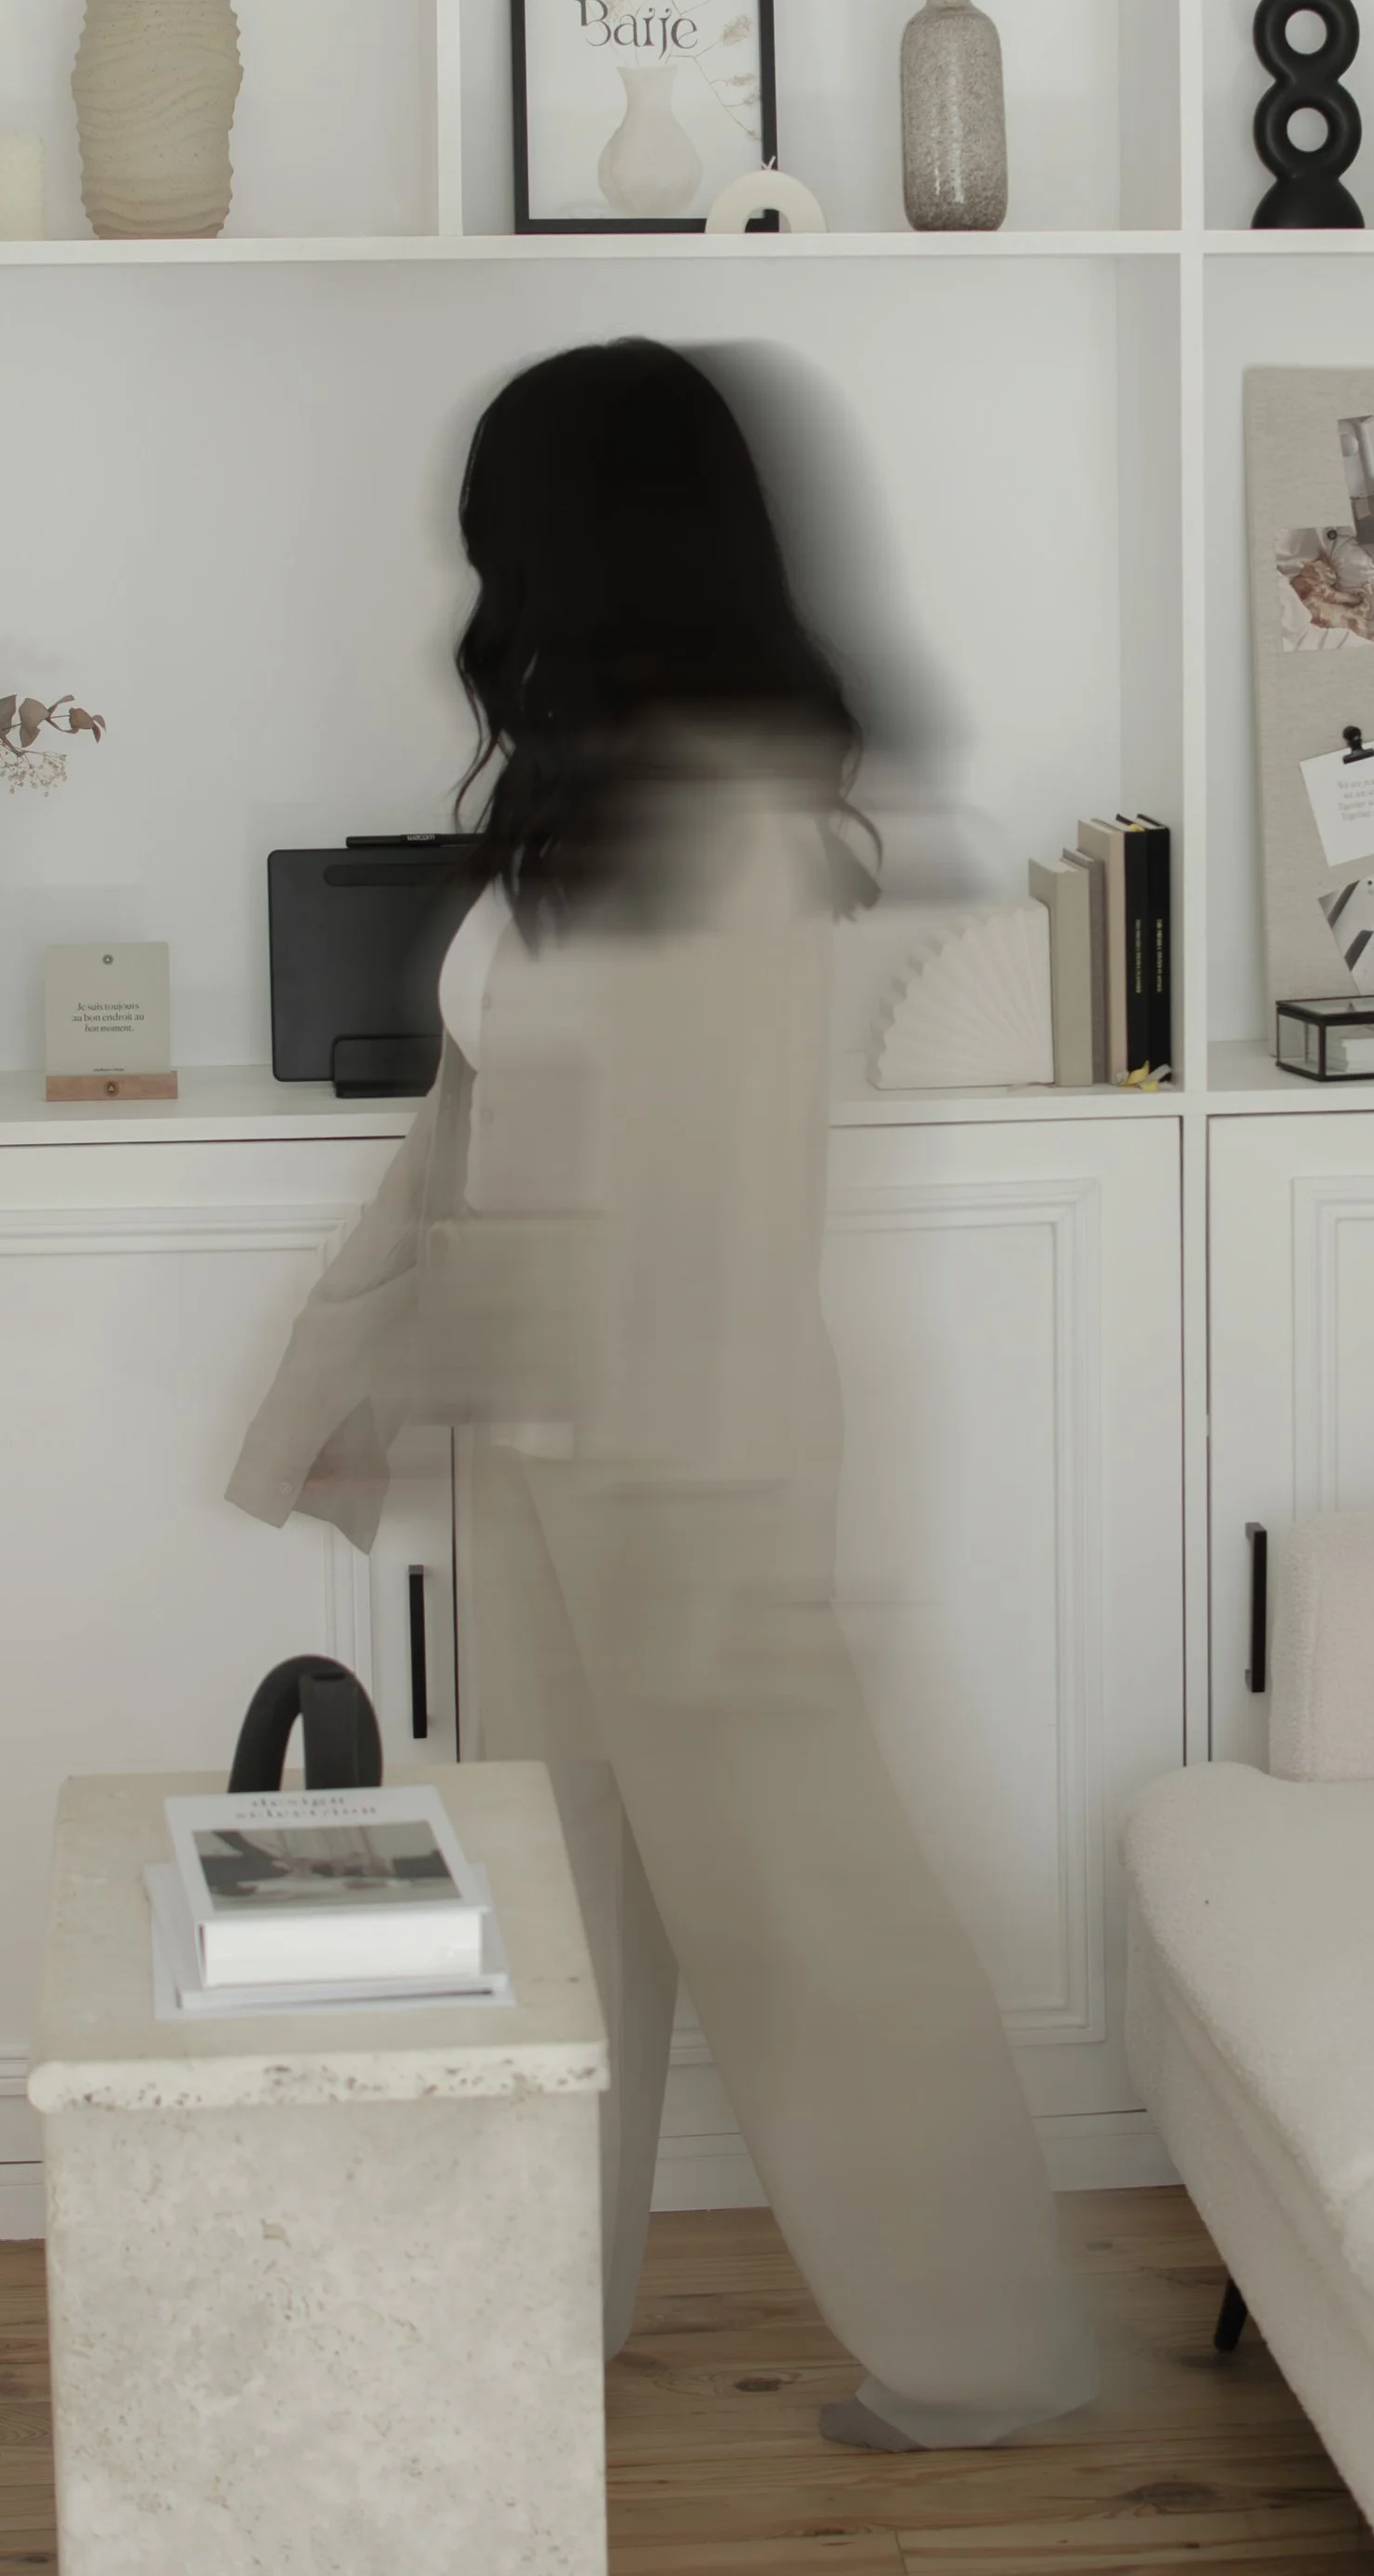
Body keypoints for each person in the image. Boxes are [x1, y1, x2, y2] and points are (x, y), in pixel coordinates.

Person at [227, 338, 1098, 2452]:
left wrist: (690, 1535)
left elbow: (710, 1219)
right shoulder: (582, 808)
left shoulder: (732, 830)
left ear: (583, 541)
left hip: (687, 1467)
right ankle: (552, 2297)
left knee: (807, 1916)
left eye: (503, 534)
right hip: (544, 1444)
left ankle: (984, 2348)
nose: (483, 579)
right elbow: (471, 1132)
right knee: (555, 1897)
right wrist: (357, 1374)